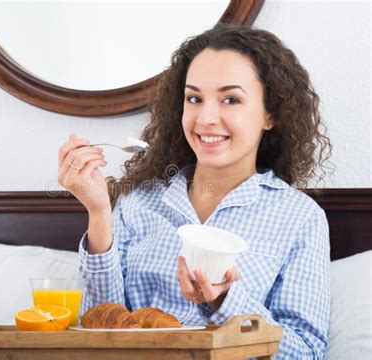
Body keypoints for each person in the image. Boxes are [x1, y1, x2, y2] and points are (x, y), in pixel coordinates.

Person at [58, 22, 332, 359]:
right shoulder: (139, 203)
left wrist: (225, 304)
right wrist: (99, 213)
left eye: (231, 99)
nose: (206, 118)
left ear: (270, 114)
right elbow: (100, 324)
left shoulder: (299, 218)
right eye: (194, 98)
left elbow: (306, 352)